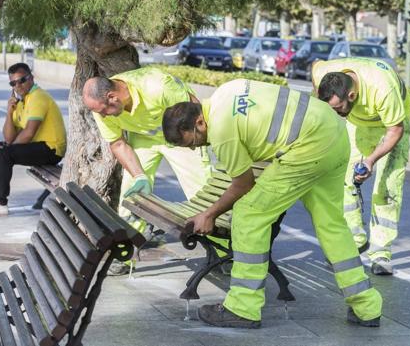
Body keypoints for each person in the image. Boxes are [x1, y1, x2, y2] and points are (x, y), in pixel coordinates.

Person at [162, 79, 382, 329]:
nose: (194, 149)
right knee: (331, 224)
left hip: (309, 146)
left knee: (248, 215)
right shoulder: (226, 91)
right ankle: (366, 305)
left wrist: (209, 214)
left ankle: (243, 307)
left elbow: (243, 184)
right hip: (333, 131)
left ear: (199, 122)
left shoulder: (221, 130)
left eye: (190, 142)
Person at [83, 66, 212, 274]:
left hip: (181, 134)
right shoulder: (100, 108)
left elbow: (194, 113)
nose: (103, 117)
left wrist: (200, 146)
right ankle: (125, 255)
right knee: (131, 193)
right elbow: (117, 143)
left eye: (103, 111)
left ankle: (223, 255)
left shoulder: (157, 85)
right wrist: (139, 176)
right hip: (144, 138)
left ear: (113, 97)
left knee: (204, 192)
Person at [311, 57, 410, 275]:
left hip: (389, 126)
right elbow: (315, 66)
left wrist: (370, 160)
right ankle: (354, 242)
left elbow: (395, 130)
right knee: (343, 179)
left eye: (337, 109)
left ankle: (381, 253)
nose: (335, 114)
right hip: (358, 123)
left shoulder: (383, 88)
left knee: (387, 188)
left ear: (352, 95)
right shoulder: (325, 74)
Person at [0, 63, 67, 215]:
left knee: (5, 152)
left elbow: (29, 133)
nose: (18, 85)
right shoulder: (21, 102)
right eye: (13, 83)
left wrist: (8, 151)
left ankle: (0, 203)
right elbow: (9, 138)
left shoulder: (38, 97)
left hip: (51, 149)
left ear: (31, 78)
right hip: (37, 146)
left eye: (22, 80)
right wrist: (9, 113)